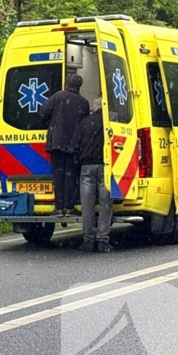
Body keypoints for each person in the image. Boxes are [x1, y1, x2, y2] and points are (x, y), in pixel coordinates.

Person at [41, 74, 89, 216]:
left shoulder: (58, 96)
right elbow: (84, 124)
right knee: (71, 176)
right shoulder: (84, 103)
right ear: (79, 86)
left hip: (56, 142)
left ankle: (58, 207)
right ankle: (69, 207)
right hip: (74, 145)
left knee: (58, 175)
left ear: (66, 84)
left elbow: (43, 112)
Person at [74, 98, 113, 252]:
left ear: (94, 108)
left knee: (87, 207)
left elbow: (75, 145)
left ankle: (88, 241)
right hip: (105, 166)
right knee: (105, 205)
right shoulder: (110, 124)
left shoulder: (84, 123)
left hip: (86, 167)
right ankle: (103, 240)